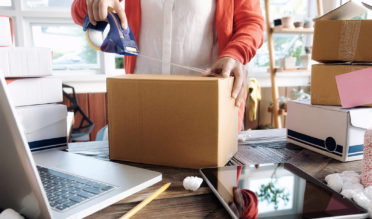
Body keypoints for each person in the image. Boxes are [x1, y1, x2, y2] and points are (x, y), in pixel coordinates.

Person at [71, 0, 264, 131]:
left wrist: (236, 53)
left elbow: (252, 23)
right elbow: (80, 13)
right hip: (141, 106)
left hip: (209, 108)